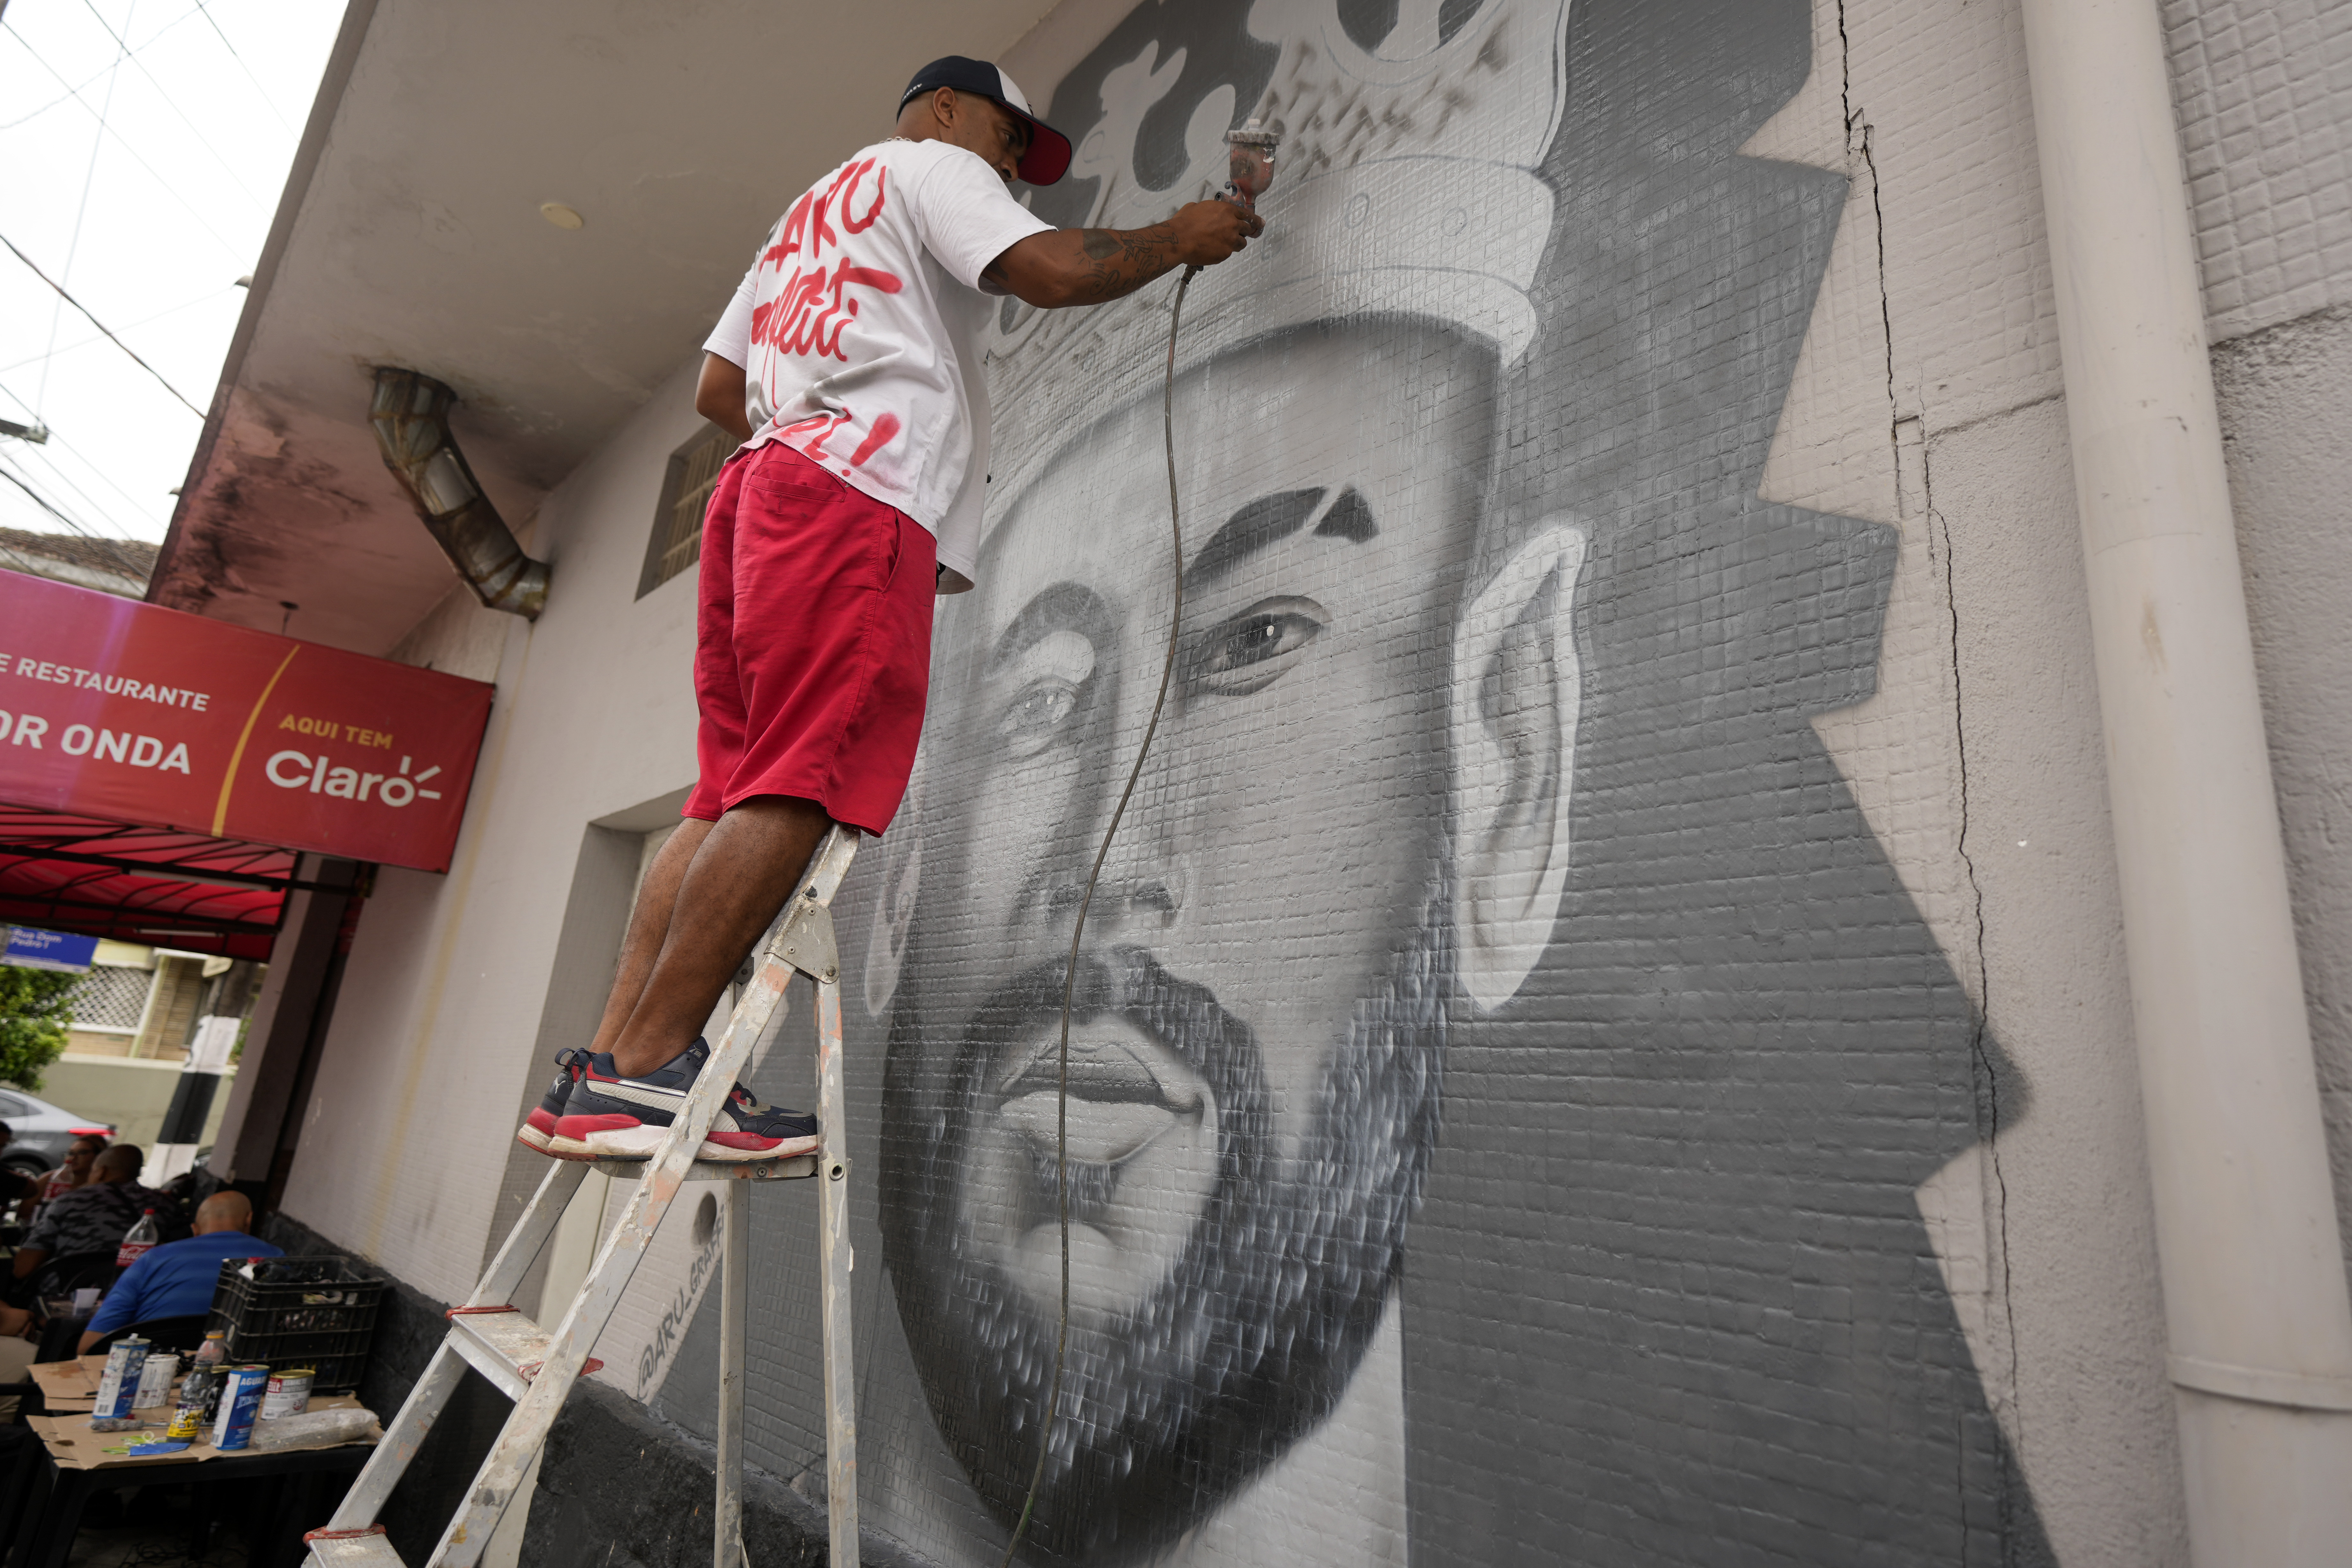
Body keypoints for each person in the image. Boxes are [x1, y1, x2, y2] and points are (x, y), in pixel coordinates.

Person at [521, 54, 1260, 1164]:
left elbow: (720, 393)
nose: (1013, 163)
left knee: (725, 785)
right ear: (950, 109)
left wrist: (809, 424)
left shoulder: (809, 214)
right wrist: (1181, 237)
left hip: (759, 494)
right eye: (1011, 138)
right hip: (850, 495)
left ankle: (610, 1065)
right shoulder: (931, 167)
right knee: (805, 773)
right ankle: (651, 1071)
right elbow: (1047, 269)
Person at [77, 1191, 281, 1353]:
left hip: (146, 1365)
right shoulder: (276, 1259)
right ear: (249, 1220)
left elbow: (91, 1344)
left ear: (195, 1229)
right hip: (238, 1372)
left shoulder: (154, 1258)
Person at [10, 1144, 166, 1282]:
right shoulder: (165, 1203)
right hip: (143, 1291)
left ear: (101, 1172)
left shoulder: (70, 1201)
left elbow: (23, 1269)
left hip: (65, 1294)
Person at [22, 1132, 101, 1220]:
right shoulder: (50, 1179)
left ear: (99, 1156)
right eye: (71, 1154)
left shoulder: (102, 1185)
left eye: (82, 1153)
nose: (73, 1158)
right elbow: (23, 1214)